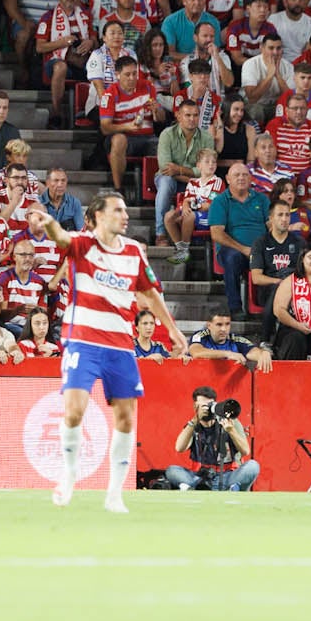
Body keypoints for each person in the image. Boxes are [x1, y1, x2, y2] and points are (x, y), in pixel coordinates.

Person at [27, 192, 187, 514]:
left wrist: (172, 329)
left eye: (126, 211)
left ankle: (114, 493)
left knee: (126, 417)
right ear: (98, 215)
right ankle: (69, 474)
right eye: (118, 210)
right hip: (83, 339)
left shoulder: (134, 252)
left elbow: (150, 293)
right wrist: (50, 223)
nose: (125, 216)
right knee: (74, 410)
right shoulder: (83, 245)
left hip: (119, 344)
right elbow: (60, 237)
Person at [163, 386, 259, 491]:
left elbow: (245, 451)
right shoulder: (193, 425)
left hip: (228, 475)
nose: (207, 409)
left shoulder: (230, 421)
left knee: (252, 466)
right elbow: (179, 448)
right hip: (200, 477)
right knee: (172, 470)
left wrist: (231, 431)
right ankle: (202, 488)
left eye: (210, 405)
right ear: (195, 406)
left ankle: (228, 487)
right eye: (203, 405)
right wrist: (195, 420)